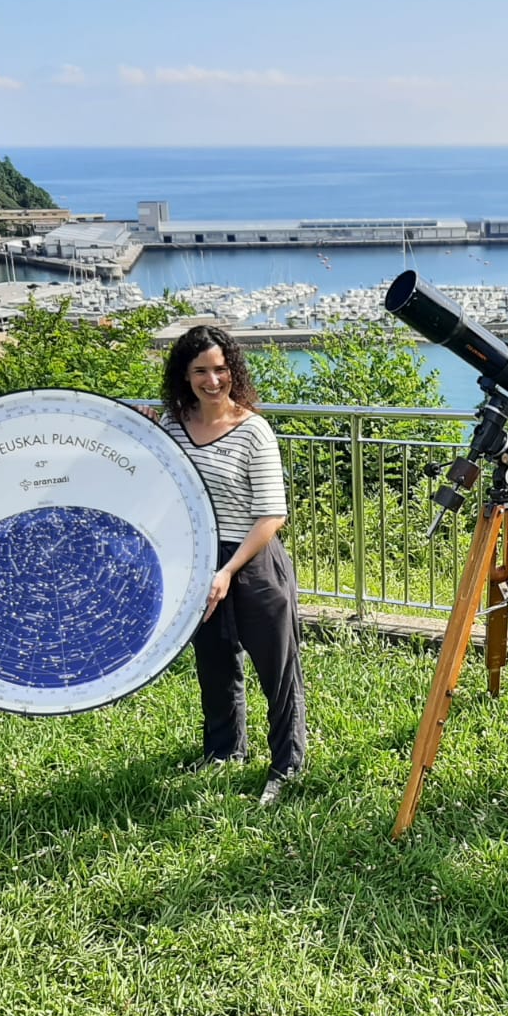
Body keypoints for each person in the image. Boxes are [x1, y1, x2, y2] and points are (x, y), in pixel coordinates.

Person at [157, 324, 306, 806]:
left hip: (254, 560)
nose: (213, 380)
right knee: (215, 664)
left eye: (221, 369)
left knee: (277, 670)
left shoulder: (253, 429)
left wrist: (228, 571)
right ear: (185, 375)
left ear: (233, 371)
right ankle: (225, 751)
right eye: (201, 370)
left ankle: (287, 765)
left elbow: (272, 514)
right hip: (201, 558)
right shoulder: (172, 424)